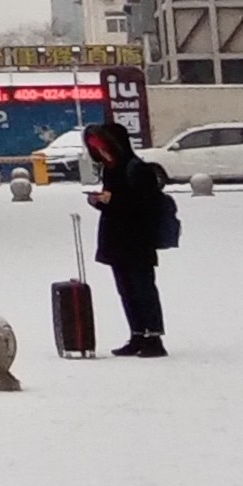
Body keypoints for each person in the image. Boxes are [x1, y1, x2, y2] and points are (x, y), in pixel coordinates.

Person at [83, 120, 173, 356]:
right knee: (126, 289)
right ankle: (136, 333)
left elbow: (145, 204)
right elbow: (115, 203)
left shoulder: (136, 168)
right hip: (116, 238)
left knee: (143, 287)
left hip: (137, 239)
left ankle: (153, 336)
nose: (100, 153)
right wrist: (99, 201)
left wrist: (112, 201)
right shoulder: (109, 169)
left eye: (102, 147)